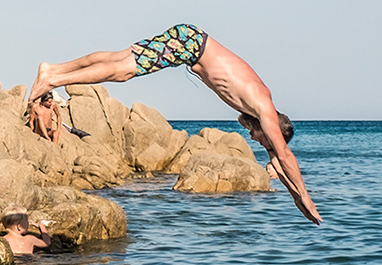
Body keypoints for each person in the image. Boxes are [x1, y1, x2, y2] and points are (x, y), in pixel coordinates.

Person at [28, 24, 323, 225]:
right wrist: (307, 197)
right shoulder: (264, 107)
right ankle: (54, 80)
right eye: (263, 138)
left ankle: (53, 69)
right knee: (123, 71)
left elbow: (277, 160)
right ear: (272, 128)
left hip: (189, 42)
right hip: (189, 45)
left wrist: (296, 198)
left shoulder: (260, 110)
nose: (254, 138)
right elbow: (284, 156)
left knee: (118, 58)